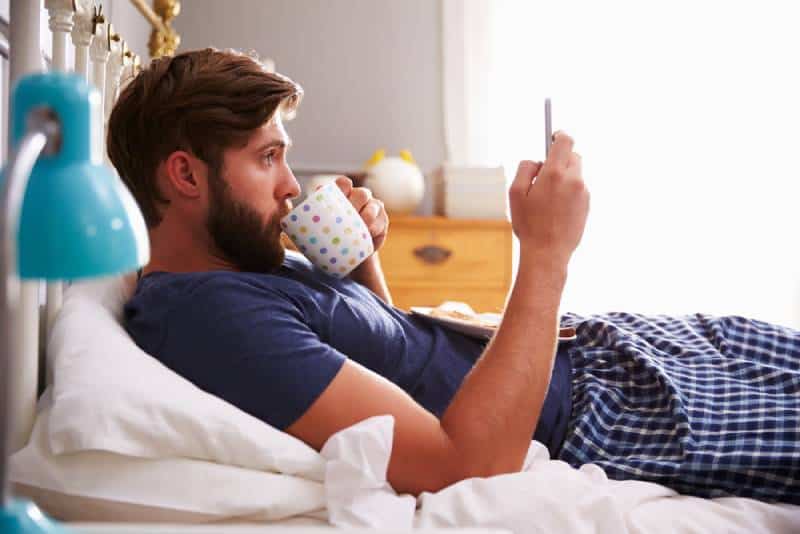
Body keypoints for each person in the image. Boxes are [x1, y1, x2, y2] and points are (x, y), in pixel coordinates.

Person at [109, 48, 800, 503]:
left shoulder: (240, 263)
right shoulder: (207, 317)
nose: (292, 185)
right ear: (185, 174)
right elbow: (462, 463)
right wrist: (547, 254)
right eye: (267, 159)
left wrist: (358, 262)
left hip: (600, 348)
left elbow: (393, 358)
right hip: (608, 411)